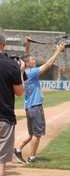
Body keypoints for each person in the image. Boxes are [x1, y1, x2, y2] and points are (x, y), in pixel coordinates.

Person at [14, 37, 65, 164]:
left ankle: (18, 149)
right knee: (37, 134)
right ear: (27, 63)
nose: (34, 60)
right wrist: (58, 51)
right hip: (35, 107)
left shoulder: (24, 72)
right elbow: (48, 64)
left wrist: (27, 44)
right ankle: (32, 158)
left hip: (29, 107)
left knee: (31, 134)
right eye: (31, 59)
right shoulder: (31, 72)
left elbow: (24, 58)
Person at [0, 34, 24, 176]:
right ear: (3, 45)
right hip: (4, 116)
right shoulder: (11, 64)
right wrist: (20, 71)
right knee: (1, 160)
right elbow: (20, 92)